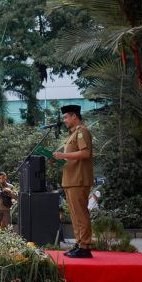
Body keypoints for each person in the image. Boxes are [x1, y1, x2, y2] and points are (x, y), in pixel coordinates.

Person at [53, 104, 94, 258]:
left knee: (81, 214)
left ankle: (85, 246)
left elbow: (85, 153)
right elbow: (71, 158)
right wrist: (56, 159)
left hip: (79, 179)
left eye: (65, 117)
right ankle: (79, 244)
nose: (64, 120)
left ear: (74, 116)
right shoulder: (73, 134)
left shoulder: (82, 131)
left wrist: (63, 156)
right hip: (70, 179)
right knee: (75, 215)